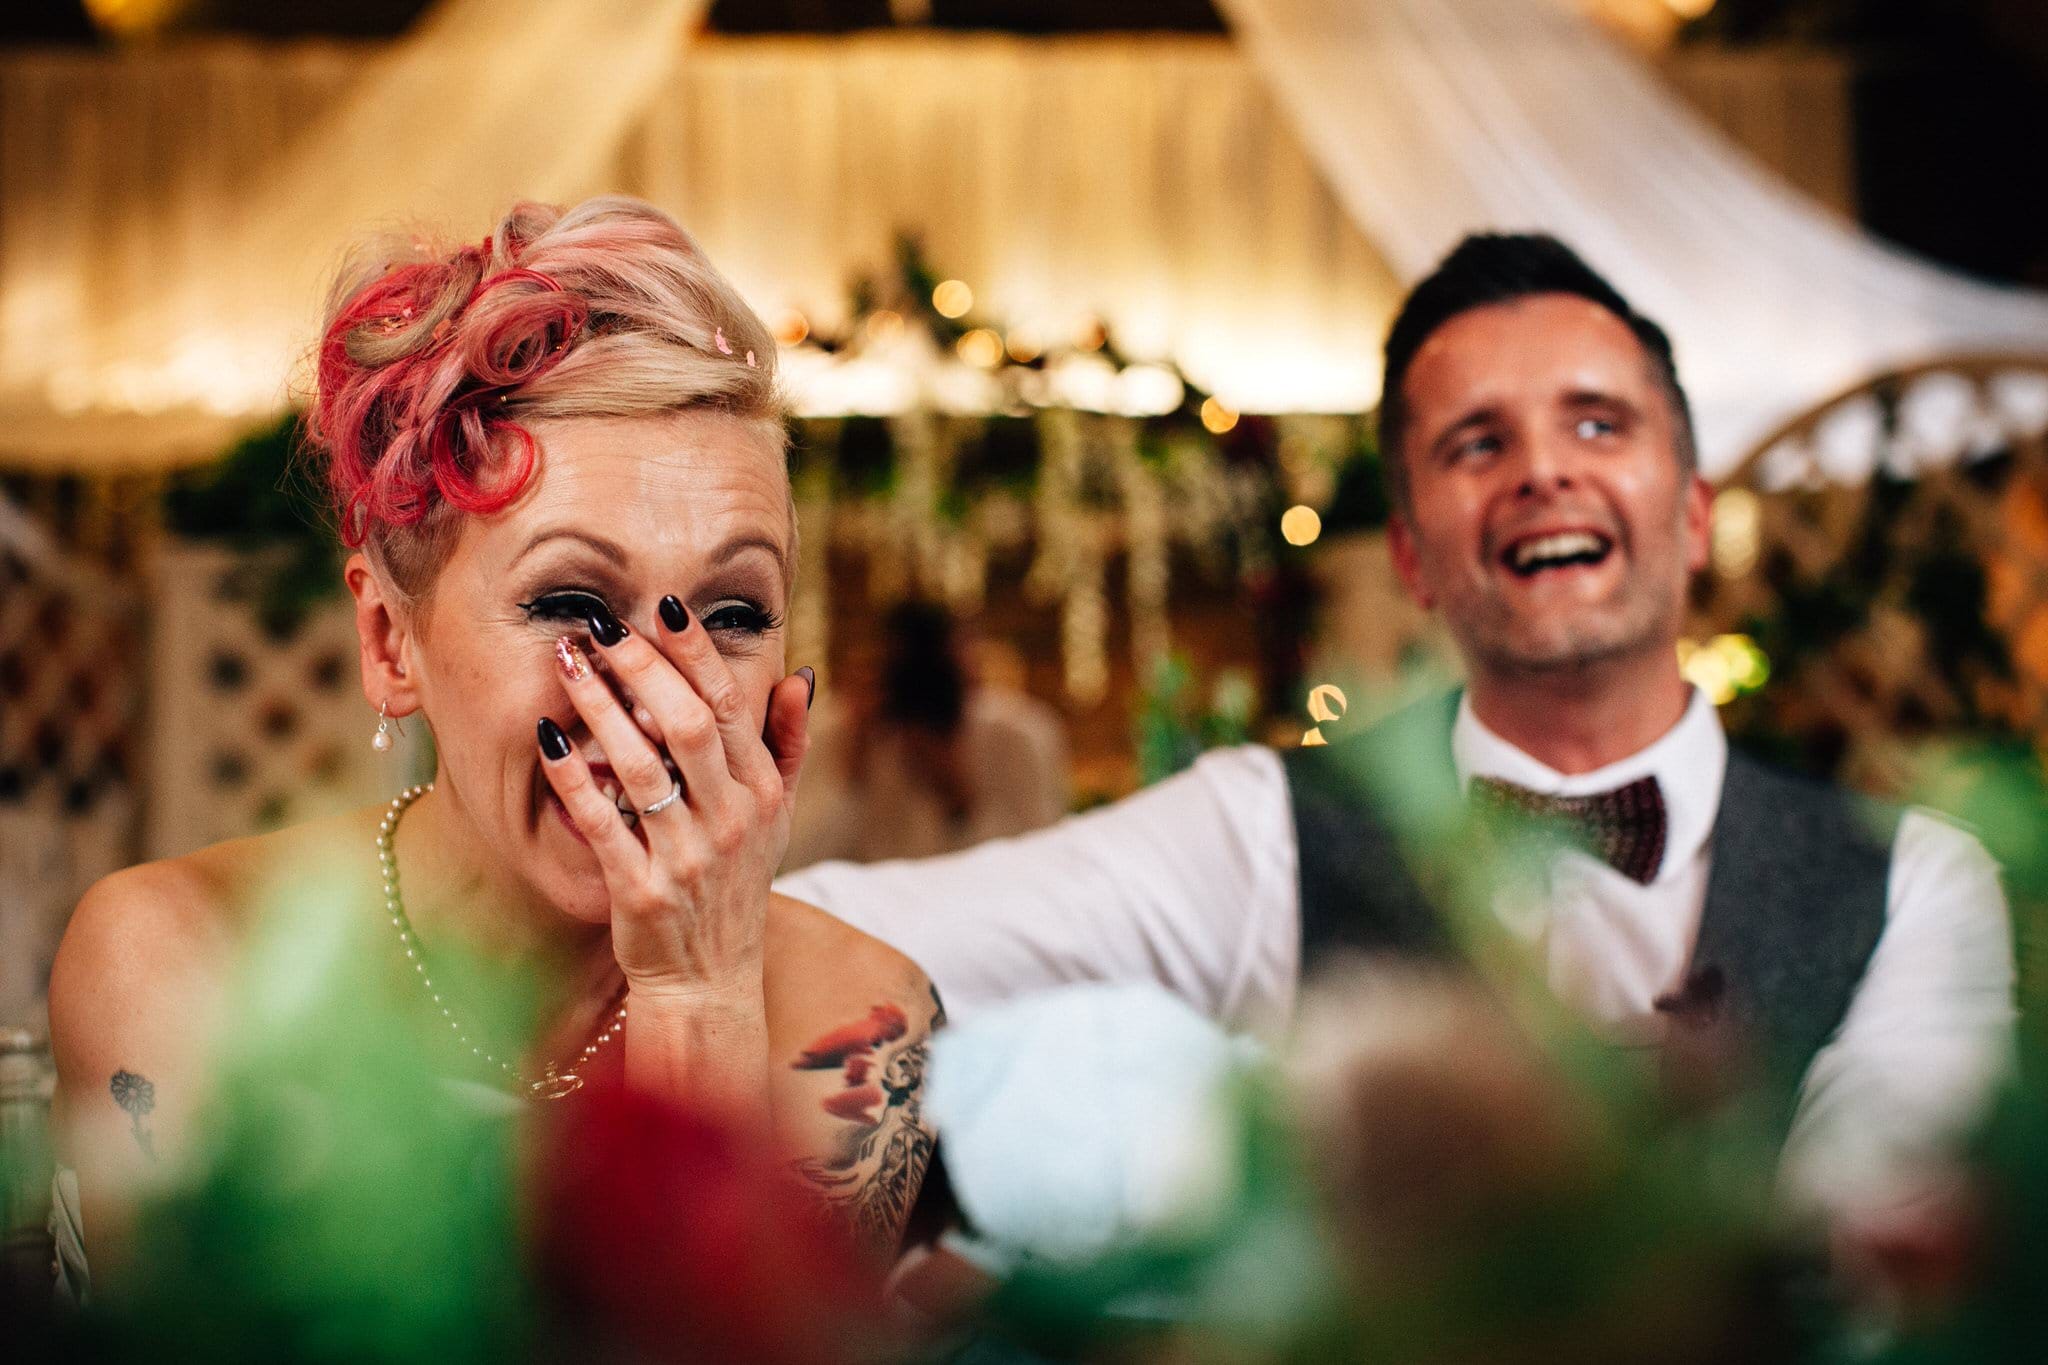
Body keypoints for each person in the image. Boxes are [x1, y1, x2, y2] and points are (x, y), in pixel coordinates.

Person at [779, 233, 2015, 1220]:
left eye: (1597, 423)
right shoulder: (1263, 832)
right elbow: (874, 933)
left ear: (1689, 514)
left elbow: (1885, 1230)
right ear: (1414, 558)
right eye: (1477, 442)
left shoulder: (1910, 880)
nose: (1541, 469)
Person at [46, 196, 939, 1294]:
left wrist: (698, 997)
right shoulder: (184, 961)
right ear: (390, 640)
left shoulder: (855, 1023)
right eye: (574, 602)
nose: (662, 698)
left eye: (735, 613)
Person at [783, 601, 1068, 869]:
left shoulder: (1016, 735)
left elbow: (1040, 866)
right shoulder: (834, 730)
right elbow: (798, 862)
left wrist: (959, 801)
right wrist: (852, 772)